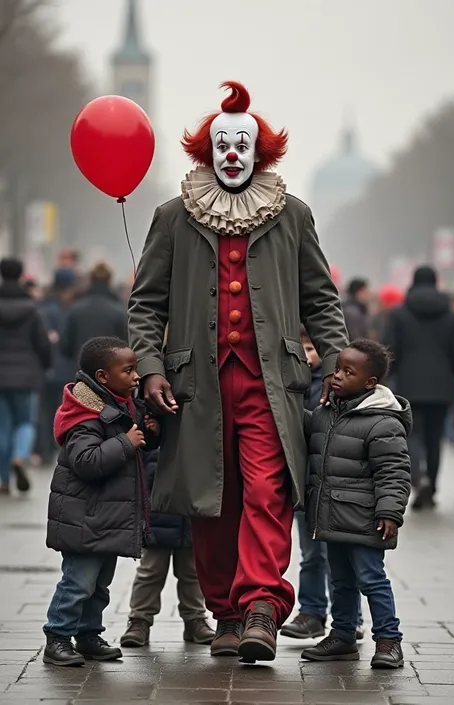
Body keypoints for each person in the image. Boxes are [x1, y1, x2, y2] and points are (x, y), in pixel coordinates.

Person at [128, 81, 348, 663]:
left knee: (269, 490)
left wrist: (341, 362)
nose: (231, 154)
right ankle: (226, 614)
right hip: (194, 386)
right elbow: (146, 303)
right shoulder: (173, 217)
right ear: (208, 150)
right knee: (210, 499)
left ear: (260, 152)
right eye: (221, 144)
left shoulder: (292, 214)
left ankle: (259, 606)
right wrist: (150, 368)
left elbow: (320, 298)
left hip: (270, 382)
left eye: (241, 144)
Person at [43, 337, 160, 667]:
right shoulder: (84, 415)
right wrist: (127, 441)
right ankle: (58, 637)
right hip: (85, 519)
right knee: (78, 583)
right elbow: (86, 461)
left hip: (103, 519)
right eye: (129, 370)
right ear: (103, 376)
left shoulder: (119, 403)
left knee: (99, 586)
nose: (137, 376)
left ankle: (88, 635)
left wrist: (148, 433)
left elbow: (133, 446)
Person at [301, 339, 411, 669]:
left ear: (370, 383)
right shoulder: (327, 412)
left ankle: (389, 640)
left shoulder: (382, 422)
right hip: (333, 517)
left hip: (365, 520)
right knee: (341, 581)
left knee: (371, 579)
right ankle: (344, 636)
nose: (337, 376)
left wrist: (390, 512)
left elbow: (394, 472)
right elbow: (305, 428)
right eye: (336, 369)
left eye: (348, 372)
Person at [282, 328, 365, 641]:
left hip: (336, 487)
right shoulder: (288, 383)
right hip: (306, 484)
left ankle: (350, 617)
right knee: (311, 555)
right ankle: (311, 612)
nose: (306, 355)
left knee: (339, 558)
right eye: (301, 348)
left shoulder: (337, 387)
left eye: (312, 348)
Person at [383, 266, 454, 509]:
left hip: (409, 385)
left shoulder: (400, 314)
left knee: (411, 433)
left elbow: (390, 349)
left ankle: (416, 477)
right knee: (435, 438)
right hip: (441, 388)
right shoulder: (451, 316)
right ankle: (432, 480)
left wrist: (391, 374)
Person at [120, 447, 215, 648]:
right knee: (151, 571)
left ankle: (195, 619)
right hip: (157, 514)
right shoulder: (153, 428)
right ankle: (139, 620)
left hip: (192, 514)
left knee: (192, 572)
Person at [0, 258, 51, 494]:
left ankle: (3, 480)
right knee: (26, 422)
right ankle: (20, 457)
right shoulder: (31, 309)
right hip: (26, 375)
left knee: (3, 426)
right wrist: (45, 365)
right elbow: (42, 344)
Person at [37, 268, 77, 463]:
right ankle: (62, 449)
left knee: (45, 412)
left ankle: (45, 452)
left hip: (45, 369)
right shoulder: (68, 310)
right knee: (64, 411)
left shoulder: (43, 307)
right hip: (64, 369)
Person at [60, 262, 128, 363]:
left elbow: (65, 346)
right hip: (110, 370)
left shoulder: (75, 309)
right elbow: (126, 345)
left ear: (91, 280)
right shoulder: (119, 311)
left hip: (80, 369)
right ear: (109, 280)